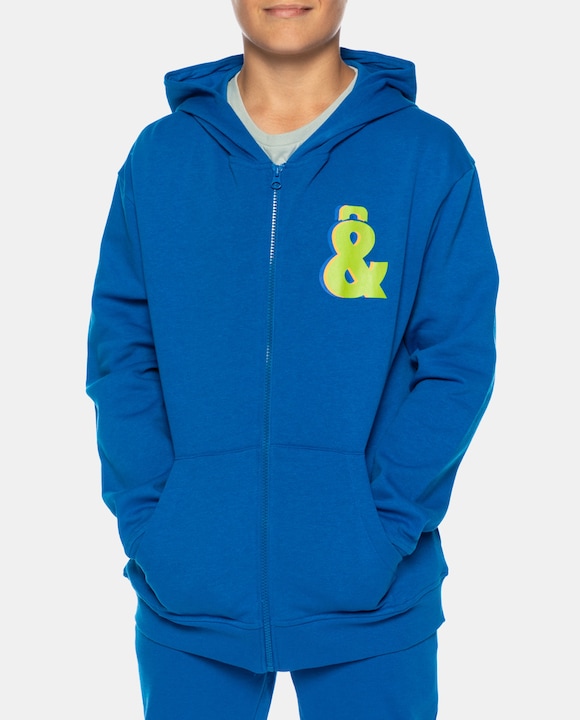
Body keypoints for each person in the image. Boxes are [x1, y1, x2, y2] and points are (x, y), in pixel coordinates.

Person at [86, 1, 498, 717]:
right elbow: (122, 356)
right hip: (189, 596)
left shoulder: (426, 157)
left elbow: (456, 362)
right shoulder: (161, 159)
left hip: (375, 602)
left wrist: (383, 525)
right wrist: (157, 523)